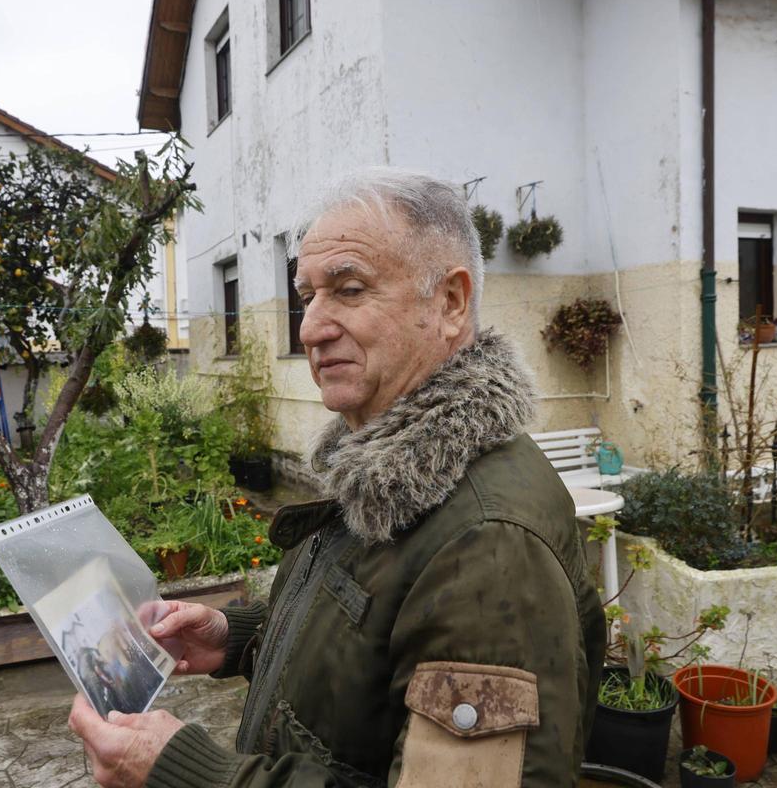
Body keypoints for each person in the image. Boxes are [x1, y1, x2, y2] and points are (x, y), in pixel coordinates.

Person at [70, 170, 606, 787]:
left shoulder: (487, 545)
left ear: (450, 303)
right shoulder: (387, 466)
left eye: (350, 290)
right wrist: (238, 638)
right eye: (307, 296)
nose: (310, 328)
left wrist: (191, 775)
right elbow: (369, 642)